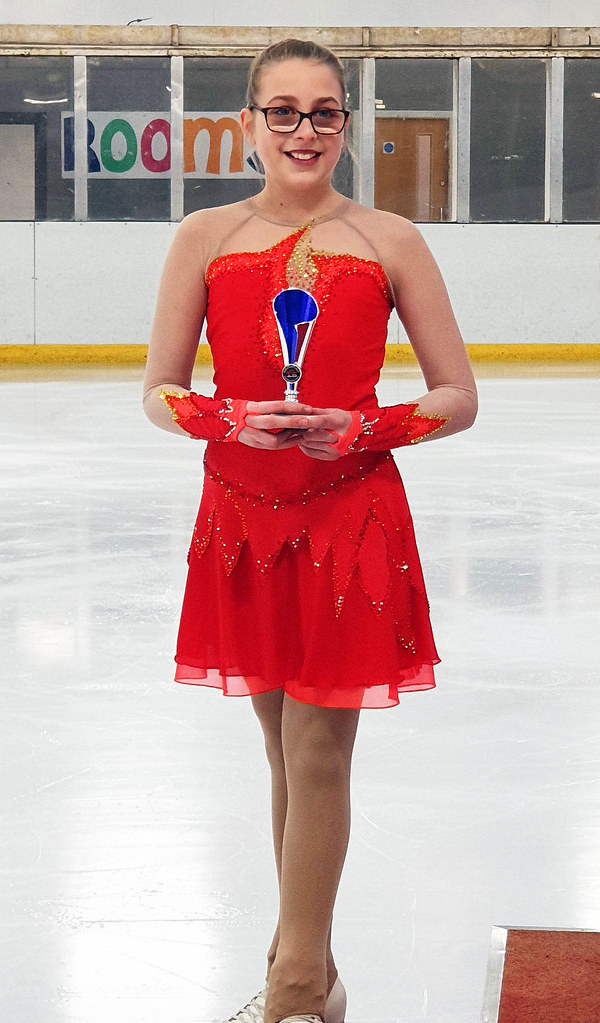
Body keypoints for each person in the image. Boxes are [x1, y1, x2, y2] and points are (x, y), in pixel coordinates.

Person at [143, 38, 477, 1023]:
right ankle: (315, 972)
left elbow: (458, 395)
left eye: (323, 111)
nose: (303, 130)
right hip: (241, 520)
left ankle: (293, 985)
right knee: (281, 748)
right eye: (281, 112)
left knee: (321, 746)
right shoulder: (204, 236)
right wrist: (226, 417)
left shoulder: (390, 240)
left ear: (346, 124)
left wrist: (368, 428)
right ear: (249, 123)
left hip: (350, 519)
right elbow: (159, 391)